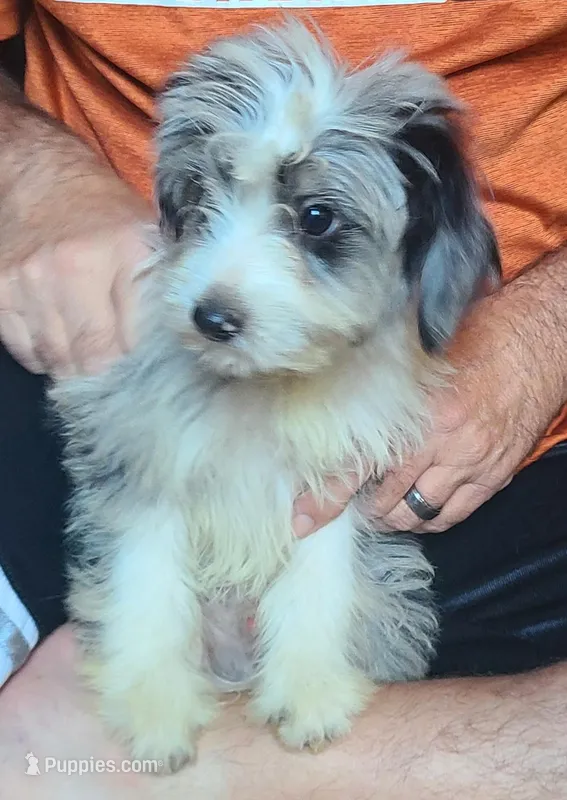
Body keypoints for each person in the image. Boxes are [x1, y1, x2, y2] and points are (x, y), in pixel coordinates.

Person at [0, 1, 567, 796]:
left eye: (312, 219)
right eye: (209, 196)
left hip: (515, 447)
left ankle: (180, 760)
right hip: (77, 321)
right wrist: (30, 180)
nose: (222, 283)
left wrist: (543, 341)